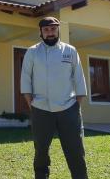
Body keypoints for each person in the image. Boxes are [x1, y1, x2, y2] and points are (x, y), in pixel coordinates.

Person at [20, 16, 88, 179]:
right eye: (46, 30)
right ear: (41, 32)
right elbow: (25, 78)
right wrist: (32, 104)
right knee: (41, 151)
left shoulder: (70, 51)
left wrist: (76, 105)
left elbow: (79, 78)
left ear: (58, 30)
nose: (50, 33)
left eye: (53, 29)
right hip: (41, 109)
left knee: (75, 150)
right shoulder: (32, 52)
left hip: (68, 109)